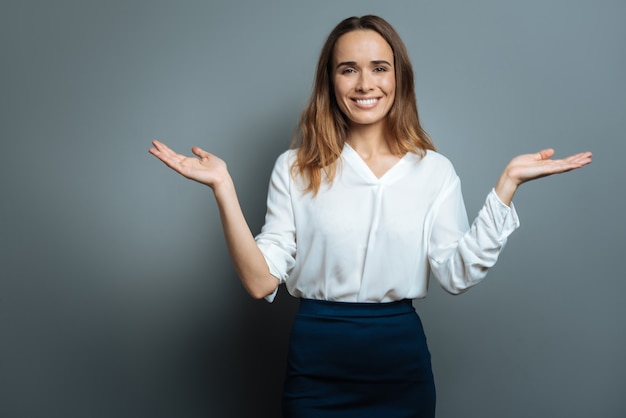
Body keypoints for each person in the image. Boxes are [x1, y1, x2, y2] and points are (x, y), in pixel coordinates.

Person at [149, 15, 591, 418]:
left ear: (399, 78)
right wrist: (223, 187)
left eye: (379, 67)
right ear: (331, 81)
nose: (365, 84)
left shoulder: (433, 171)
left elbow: (456, 275)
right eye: (349, 69)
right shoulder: (295, 166)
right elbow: (261, 281)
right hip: (316, 365)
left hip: (400, 366)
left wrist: (507, 185)